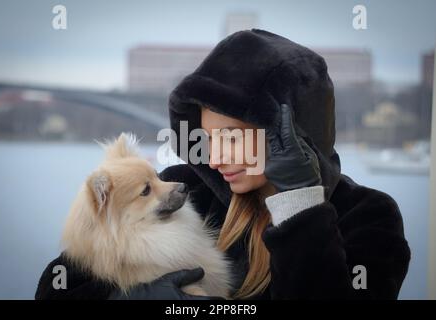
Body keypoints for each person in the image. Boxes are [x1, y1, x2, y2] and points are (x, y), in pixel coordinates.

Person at [35, 29, 410, 300]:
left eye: (231, 138)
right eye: (209, 139)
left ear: (294, 132)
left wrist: (300, 206)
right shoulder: (184, 189)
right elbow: (57, 285)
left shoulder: (367, 216)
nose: (213, 159)